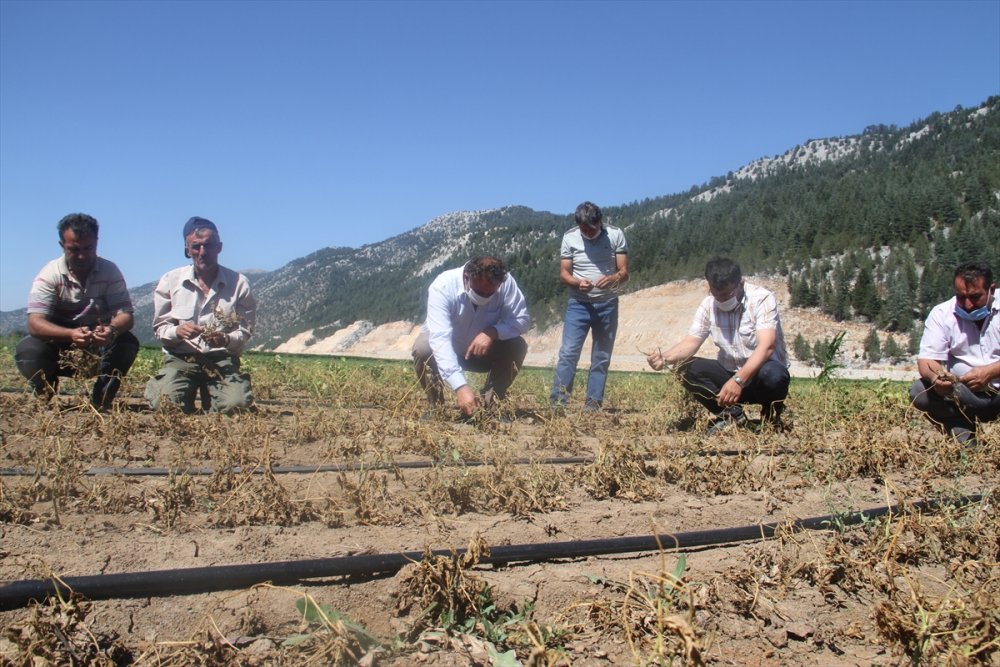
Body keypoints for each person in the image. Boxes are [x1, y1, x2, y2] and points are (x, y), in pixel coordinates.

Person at [647, 257, 790, 433]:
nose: (721, 300)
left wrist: (738, 380)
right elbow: (692, 341)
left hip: (760, 376)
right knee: (684, 367)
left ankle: (770, 417)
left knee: (773, 375)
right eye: (716, 294)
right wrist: (665, 357)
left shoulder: (761, 299)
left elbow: (766, 347)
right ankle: (731, 416)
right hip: (729, 374)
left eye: (727, 294)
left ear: (740, 283)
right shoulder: (708, 305)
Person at [15, 213, 140, 410]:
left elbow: (125, 315)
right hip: (59, 348)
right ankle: (43, 393)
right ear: (61, 245)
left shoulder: (110, 271)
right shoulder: (50, 275)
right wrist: (70, 334)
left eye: (88, 248)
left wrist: (111, 330)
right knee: (29, 349)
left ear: (96, 243)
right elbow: (35, 323)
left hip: (96, 348)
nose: (82, 256)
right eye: (73, 249)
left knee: (126, 342)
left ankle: (102, 400)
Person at [144, 217, 256, 413]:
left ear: (219, 247)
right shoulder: (170, 281)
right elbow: (160, 328)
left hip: (221, 359)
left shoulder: (239, 283)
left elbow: (245, 330)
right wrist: (177, 331)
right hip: (181, 358)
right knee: (165, 405)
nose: (202, 252)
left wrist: (225, 339)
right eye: (196, 247)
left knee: (235, 405)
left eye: (209, 245)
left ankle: (215, 395)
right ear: (187, 250)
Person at [413, 256, 531, 417]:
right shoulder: (443, 286)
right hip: (450, 350)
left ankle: (492, 406)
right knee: (423, 347)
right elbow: (440, 340)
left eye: (491, 293)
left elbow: (522, 320)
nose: (485, 296)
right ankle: (436, 408)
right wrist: (461, 387)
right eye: (480, 292)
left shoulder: (505, 283)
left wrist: (492, 332)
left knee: (517, 346)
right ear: (467, 277)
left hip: (482, 354)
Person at [909, 261, 999, 447]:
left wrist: (991, 372)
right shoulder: (942, 314)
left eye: (975, 297)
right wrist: (936, 378)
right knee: (920, 392)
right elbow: (927, 359)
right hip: (964, 393)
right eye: (961, 297)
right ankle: (964, 438)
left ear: (991, 289)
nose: (967, 304)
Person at [550, 201, 629, 411]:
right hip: (578, 305)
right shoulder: (569, 237)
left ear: (600, 222)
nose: (588, 233)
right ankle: (558, 404)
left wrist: (613, 278)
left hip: (607, 304)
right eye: (584, 230)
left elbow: (624, 272)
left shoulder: (615, 235)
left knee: (601, 357)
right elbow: (564, 274)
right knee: (568, 353)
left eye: (591, 229)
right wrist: (577, 283)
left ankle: (593, 406)